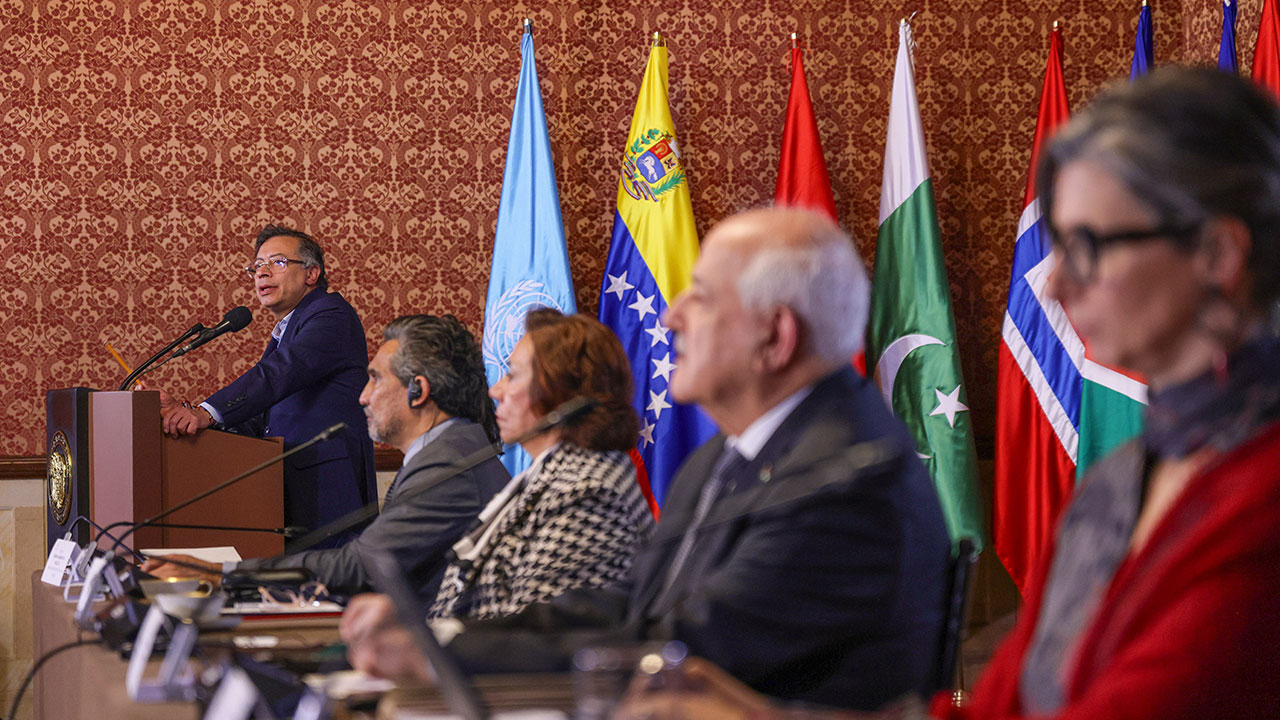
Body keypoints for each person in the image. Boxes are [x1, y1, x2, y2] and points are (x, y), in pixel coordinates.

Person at [616, 67, 1280, 719]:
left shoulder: (1261, 496)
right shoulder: (1125, 477)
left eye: (1087, 245)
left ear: (1219, 253)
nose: (1052, 284)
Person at [341, 207, 950, 711]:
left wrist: (439, 652)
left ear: (776, 337)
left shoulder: (842, 476)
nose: (669, 314)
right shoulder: (725, 455)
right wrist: (441, 635)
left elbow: (680, 646)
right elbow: (626, 602)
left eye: (702, 297)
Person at [143, 315, 511, 609]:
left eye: (374, 380)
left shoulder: (447, 463)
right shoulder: (448, 450)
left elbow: (362, 567)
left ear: (418, 390)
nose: (362, 398)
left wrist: (221, 574)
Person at [426, 308, 653, 620]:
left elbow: (542, 633)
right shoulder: (549, 476)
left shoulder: (588, 493)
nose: (495, 390)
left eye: (513, 375)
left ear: (563, 396)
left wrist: (428, 641)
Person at [158, 225, 377, 547]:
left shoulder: (331, 316)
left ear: (311, 273)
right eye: (256, 266)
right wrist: (192, 417)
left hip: (329, 486)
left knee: (331, 589)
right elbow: (265, 414)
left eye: (276, 262)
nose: (261, 273)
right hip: (288, 484)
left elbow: (278, 375)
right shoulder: (291, 328)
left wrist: (207, 413)